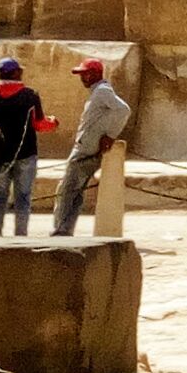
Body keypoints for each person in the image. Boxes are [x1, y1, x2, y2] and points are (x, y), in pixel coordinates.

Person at [53, 56, 132, 237]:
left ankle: (61, 230)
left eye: (84, 74)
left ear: (93, 75)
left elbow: (123, 110)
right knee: (75, 193)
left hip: (84, 151)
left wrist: (110, 135)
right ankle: (65, 229)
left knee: (67, 190)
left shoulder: (102, 91)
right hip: (87, 148)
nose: (82, 78)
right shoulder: (99, 92)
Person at [0, 57, 54, 236]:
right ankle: (21, 237)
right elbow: (39, 124)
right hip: (26, 155)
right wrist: (54, 122)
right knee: (23, 199)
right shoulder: (30, 96)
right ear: (15, 73)